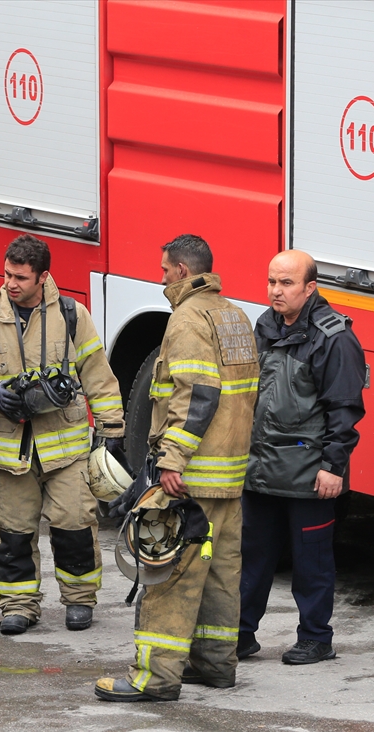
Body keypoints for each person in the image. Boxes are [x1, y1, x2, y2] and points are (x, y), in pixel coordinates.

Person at [95, 233, 259, 702]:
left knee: (170, 574)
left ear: (184, 271)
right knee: (222, 574)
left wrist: (171, 460)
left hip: (191, 477)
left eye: (165, 269)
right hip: (228, 475)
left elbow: (196, 394)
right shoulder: (234, 315)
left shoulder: (188, 319)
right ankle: (214, 665)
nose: (160, 276)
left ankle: (155, 677)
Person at [0, 234, 125, 635]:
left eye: (21, 278)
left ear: (43, 277)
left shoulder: (72, 316)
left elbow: (97, 375)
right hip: (8, 452)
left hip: (65, 449)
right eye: (7, 275)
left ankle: (80, 600)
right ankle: (18, 605)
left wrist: (112, 431)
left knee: (75, 525)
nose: (11, 284)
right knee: (14, 533)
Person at [239, 250, 366, 666]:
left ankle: (316, 638)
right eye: (272, 281)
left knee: (311, 560)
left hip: (309, 474)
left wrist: (333, 467)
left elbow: (344, 410)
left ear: (310, 288)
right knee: (251, 559)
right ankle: (240, 635)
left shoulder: (335, 338)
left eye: (286, 283)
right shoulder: (265, 325)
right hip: (260, 471)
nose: (276, 291)